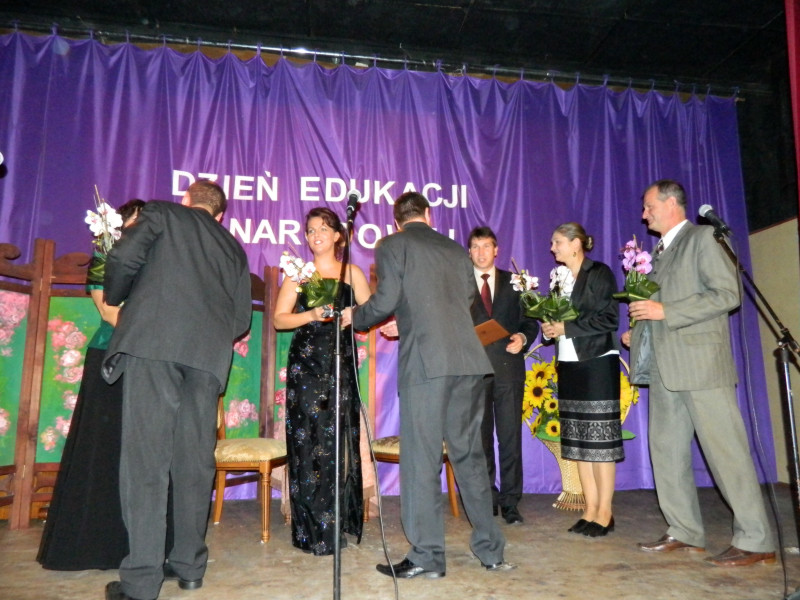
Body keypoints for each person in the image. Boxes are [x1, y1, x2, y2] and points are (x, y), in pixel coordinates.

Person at [341, 191, 511, 579]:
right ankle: (491, 551)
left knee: (421, 460)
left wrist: (356, 316)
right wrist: (413, 318)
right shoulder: (454, 249)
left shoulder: (392, 244)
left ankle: (427, 556)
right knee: (470, 457)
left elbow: (386, 299)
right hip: (468, 363)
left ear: (396, 221)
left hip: (426, 366)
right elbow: (466, 298)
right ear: (428, 214)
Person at [101, 179, 252, 600]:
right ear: (220, 214)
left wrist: (116, 297)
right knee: (194, 464)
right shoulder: (233, 247)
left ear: (187, 199)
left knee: (146, 462)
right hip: (207, 360)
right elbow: (242, 317)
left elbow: (123, 256)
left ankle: (141, 581)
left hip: (155, 344)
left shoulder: (162, 212)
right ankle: (189, 567)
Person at [624, 179, 775, 566]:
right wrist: (639, 332)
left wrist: (666, 312)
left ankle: (756, 540)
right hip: (665, 368)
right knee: (666, 452)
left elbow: (727, 294)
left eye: (649, 206)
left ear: (672, 204)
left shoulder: (704, 239)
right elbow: (659, 308)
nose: (644, 214)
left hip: (702, 366)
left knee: (727, 454)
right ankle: (684, 531)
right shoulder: (657, 253)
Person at [37, 199, 145, 570]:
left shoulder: (156, 260)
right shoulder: (106, 255)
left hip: (147, 363)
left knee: (138, 453)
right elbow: (108, 310)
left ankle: (139, 542)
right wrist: (151, 334)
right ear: (119, 226)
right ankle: (93, 542)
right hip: (110, 357)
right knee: (103, 449)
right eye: (134, 222)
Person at [273, 207, 371, 556]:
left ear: (338, 236)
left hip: (341, 364)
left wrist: (353, 314)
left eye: (324, 229)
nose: (316, 236)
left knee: (337, 440)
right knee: (307, 441)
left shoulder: (352, 272)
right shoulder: (299, 273)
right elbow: (279, 320)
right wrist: (311, 314)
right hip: (306, 366)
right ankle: (312, 530)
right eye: (311, 230)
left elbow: (371, 312)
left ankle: (337, 521)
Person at [540, 223, 622, 538]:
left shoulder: (599, 273)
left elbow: (609, 318)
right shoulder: (558, 278)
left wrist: (566, 328)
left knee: (599, 443)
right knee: (578, 443)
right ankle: (590, 509)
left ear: (576, 244)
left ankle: (605, 512)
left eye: (557, 242)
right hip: (569, 363)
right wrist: (549, 329)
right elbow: (557, 322)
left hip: (597, 362)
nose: (552, 248)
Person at [467, 226, 538, 525]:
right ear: (469, 251)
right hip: (474, 372)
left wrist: (522, 337)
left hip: (509, 370)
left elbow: (530, 321)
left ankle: (511, 502)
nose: (481, 252)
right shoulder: (458, 283)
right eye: (476, 247)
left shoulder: (516, 282)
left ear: (496, 250)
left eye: (487, 246)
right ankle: (487, 499)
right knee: (480, 441)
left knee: (510, 439)